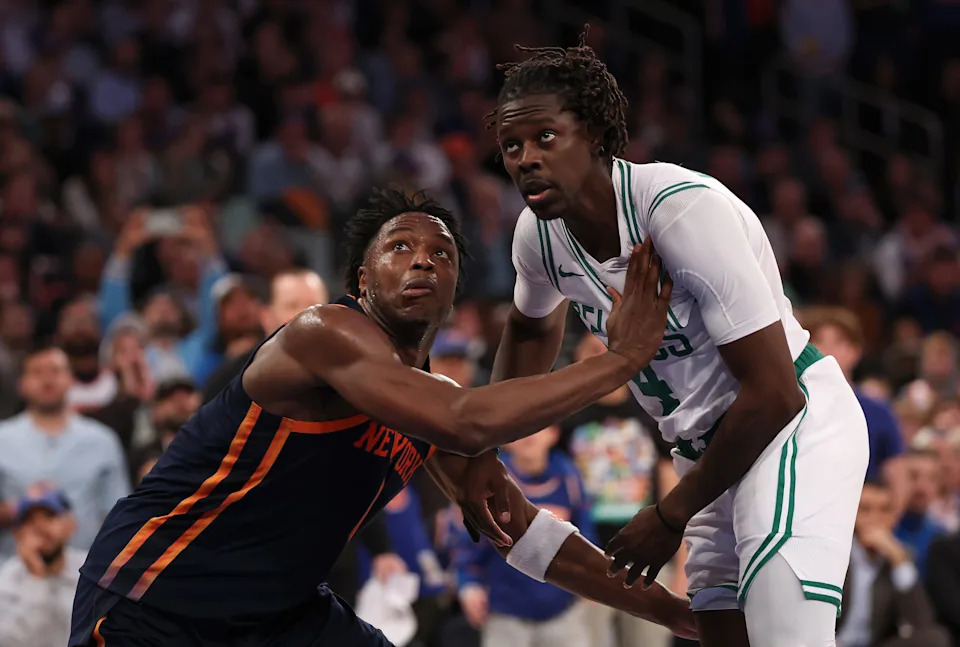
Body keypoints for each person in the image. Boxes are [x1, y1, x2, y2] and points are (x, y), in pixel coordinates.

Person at [69, 189, 695, 646]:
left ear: (454, 294)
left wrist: (679, 616)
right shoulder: (324, 333)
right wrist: (624, 358)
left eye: (441, 254)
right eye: (400, 247)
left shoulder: (428, 398)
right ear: (362, 278)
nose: (423, 260)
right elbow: (467, 421)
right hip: (159, 593)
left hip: (278, 615)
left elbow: (527, 536)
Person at [485, 33, 869, 647]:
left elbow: (775, 393)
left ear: (595, 135)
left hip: (790, 426)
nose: (525, 158)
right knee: (722, 633)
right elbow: (530, 328)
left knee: (783, 631)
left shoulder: (679, 209)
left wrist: (669, 514)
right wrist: (486, 436)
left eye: (545, 138)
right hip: (703, 451)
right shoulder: (538, 236)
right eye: (511, 145)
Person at [455, 425, 596, 647]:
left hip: (563, 609)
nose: (529, 434)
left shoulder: (570, 477)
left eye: (539, 426)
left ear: (554, 433)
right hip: (505, 611)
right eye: (521, 426)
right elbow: (470, 543)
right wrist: (468, 585)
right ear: (505, 438)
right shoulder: (489, 480)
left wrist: (591, 576)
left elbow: (587, 536)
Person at [0, 347, 131, 559]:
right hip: (10, 574)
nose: (47, 379)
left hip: (84, 574)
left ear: (70, 379)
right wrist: (17, 509)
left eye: (55, 371)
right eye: (37, 372)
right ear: (21, 384)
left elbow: (119, 518)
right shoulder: (3, 439)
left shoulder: (102, 441)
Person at [836, 479, 950, 647]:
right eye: (865, 509)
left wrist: (898, 560)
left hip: (875, 643)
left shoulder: (899, 556)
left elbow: (921, 622)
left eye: (884, 510)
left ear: (894, 516)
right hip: (831, 643)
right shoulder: (837, 554)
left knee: (936, 637)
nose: (874, 518)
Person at [0, 489, 87, 647]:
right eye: (29, 520)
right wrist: (36, 579)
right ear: (16, 533)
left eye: (50, 516)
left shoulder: (91, 571)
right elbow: (8, 642)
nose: (40, 527)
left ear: (71, 525)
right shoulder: (6, 580)